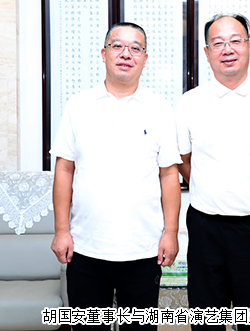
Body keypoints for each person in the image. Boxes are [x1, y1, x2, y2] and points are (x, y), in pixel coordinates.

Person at [50, 22, 182, 330]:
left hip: (143, 248)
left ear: (145, 59)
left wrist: (171, 233)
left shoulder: (159, 108)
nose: (126, 54)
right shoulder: (78, 105)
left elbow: (168, 175)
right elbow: (64, 169)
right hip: (85, 246)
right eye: (117, 46)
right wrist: (61, 230)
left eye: (135, 48)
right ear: (104, 53)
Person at [175, 13, 250, 330]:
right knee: (205, 318)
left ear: (249, 46)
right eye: (218, 43)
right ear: (207, 53)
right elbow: (184, 160)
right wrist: (210, 185)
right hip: (205, 226)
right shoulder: (189, 103)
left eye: (235, 41)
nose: (227, 49)